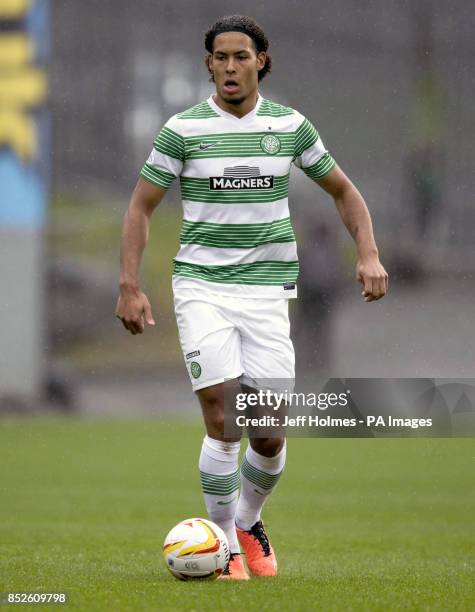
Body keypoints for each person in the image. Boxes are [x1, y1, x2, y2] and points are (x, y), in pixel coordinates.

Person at [115, 15, 388, 580]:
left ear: (261, 60)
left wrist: (367, 253)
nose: (231, 66)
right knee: (222, 415)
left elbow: (343, 190)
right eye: (221, 57)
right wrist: (130, 284)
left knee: (268, 430)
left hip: (267, 294)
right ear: (209, 65)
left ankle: (246, 519)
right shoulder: (183, 130)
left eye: (242, 56)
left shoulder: (288, 126)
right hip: (202, 289)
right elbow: (141, 206)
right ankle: (224, 550)